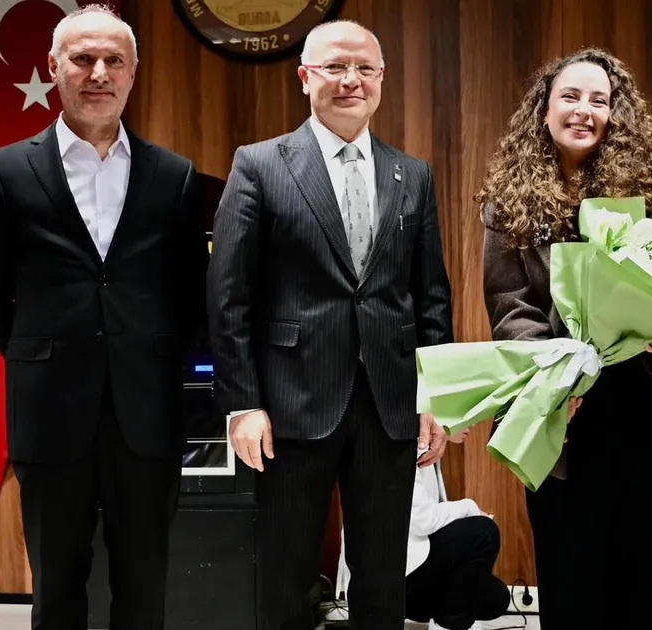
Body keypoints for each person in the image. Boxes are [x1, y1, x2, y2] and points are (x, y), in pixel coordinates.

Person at [0, 6, 207, 629]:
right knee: (58, 590)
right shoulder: (7, 170)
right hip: (50, 413)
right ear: (53, 66)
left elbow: (193, 296)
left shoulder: (174, 175)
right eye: (83, 58)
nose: (99, 73)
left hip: (146, 416)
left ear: (133, 73)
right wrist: (37, 352)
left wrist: (150, 358)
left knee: (144, 591)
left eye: (114, 61)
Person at [205, 20, 454, 630]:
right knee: (286, 578)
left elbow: (431, 298)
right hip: (290, 404)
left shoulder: (412, 174)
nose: (351, 81)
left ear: (381, 79)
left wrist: (436, 399)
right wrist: (243, 404)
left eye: (365, 69)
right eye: (335, 67)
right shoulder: (260, 165)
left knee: (383, 579)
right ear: (304, 77)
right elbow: (229, 297)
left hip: (390, 404)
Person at [478, 48, 652, 630]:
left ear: (616, 115)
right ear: (545, 109)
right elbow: (510, 306)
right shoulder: (508, 203)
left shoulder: (651, 193)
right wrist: (556, 379)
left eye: (600, 100)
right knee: (574, 577)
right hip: (565, 410)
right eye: (570, 96)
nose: (584, 110)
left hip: (651, 403)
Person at [334, 428, 511, 630]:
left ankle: (443, 616)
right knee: (484, 532)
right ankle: (449, 624)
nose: (470, 426)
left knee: (495, 597)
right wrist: (470, 507)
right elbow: (423, 520)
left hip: (401, 569)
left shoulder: (427, 448)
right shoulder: (409, 441)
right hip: (388, 576)